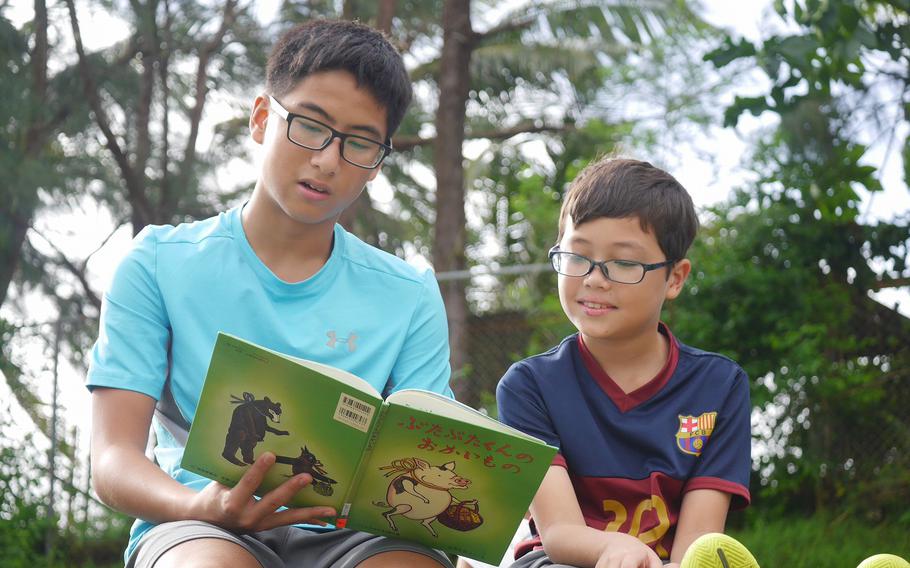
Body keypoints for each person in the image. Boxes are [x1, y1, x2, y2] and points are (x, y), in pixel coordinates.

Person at [86, 19, 456, 568]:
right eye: (310, 125)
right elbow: (112, 459)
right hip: (201, 524)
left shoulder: (409, 294)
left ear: (377, 161)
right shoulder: (158, 263)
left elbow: (428, 456)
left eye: (359, 143)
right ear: (262, 119)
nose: (328, 160)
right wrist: (199, 505)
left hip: (362, 537)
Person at [495, 157, 755, 568]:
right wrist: (614, 549)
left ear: (675, 278)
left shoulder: (720, 385)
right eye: (577, 256)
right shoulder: (529, 385)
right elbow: (559, 533)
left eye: (624, 263)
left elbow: (699, 545)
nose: (595, 278)